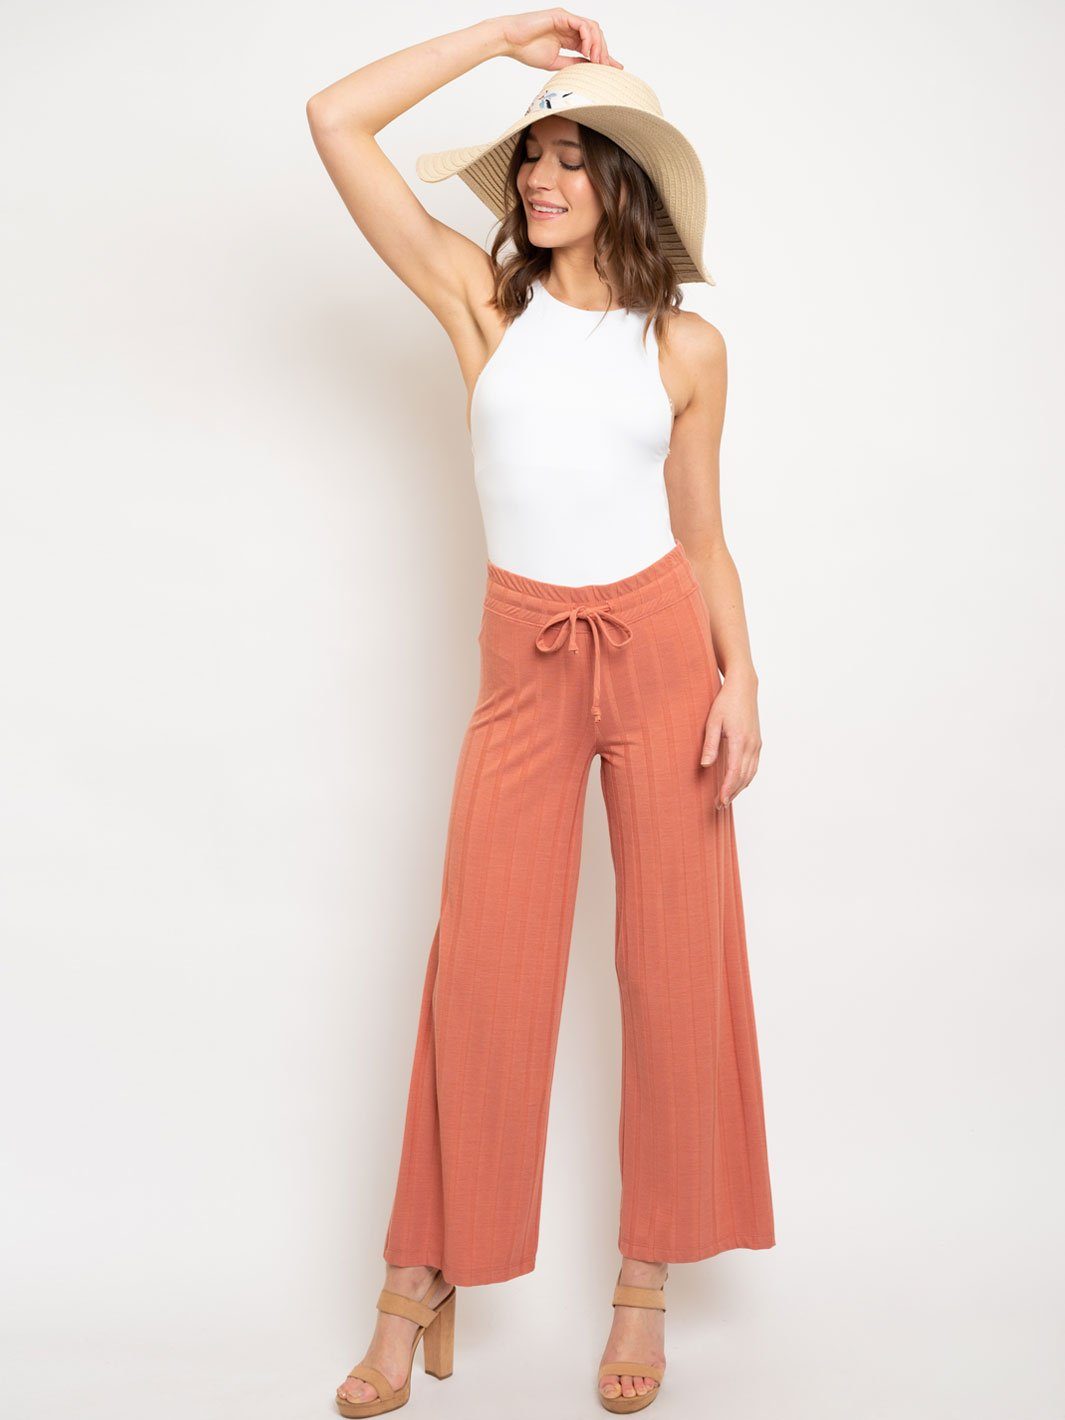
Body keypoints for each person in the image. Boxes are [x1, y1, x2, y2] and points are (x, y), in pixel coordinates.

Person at [307, 12, 775, 1416]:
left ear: (623, 181)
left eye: (570, 157)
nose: (538, 179)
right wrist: (509, 35)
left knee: (674, 967)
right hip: (524, 660)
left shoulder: (686, 347)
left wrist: (742, 679)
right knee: (482, 974)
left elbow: (702, 538)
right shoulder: (482, 307)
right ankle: (419, 1276)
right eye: (531, 157)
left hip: (660, 650)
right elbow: (335, 120)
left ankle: (645, 1279)